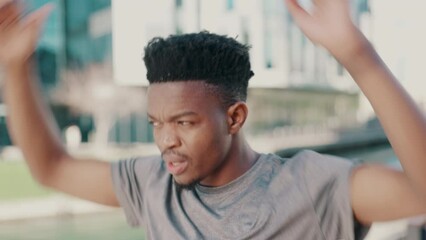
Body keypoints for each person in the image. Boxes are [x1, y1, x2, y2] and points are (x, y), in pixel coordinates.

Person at [1, 0, 425, 239]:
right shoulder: (152, 184)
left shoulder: (314, 184)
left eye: (184, 123)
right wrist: (16, 66)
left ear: (235, 117)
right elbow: (51, 167)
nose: (165, 139)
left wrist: (356, 53)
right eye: (155, 123)